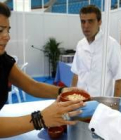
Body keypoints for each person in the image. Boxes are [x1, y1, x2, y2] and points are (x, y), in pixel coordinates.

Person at [0, 2, 85, 138]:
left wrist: (62, 91)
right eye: (0, 30)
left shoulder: (3, 60)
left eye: (8, 30)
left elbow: (32, 85)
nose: (7, 36)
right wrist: (40, 119)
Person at [71, 5, 121, 97]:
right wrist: (71, 98)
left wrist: (114, 106)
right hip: (80, 100)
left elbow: (120, 78)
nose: (86, 26)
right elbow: (76, 74)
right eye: (83, 21)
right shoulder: (80, 44)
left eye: (91, 21)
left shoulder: (110, 44)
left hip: (101, 103)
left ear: (99, 22)